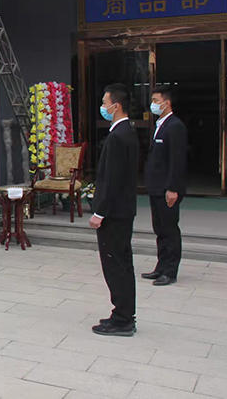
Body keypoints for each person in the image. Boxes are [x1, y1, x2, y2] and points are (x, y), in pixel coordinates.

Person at [90, 84, 139, 337]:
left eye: (104, 102)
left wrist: (99, 212)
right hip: (123, 210)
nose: (102, 107)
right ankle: (124, 313)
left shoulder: (119, 136)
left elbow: (111, 179)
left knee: (115, 265)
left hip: (115, 213)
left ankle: (122, 320)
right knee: (123, 264)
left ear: (115, 106)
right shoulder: (126, 132)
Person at [143, 86, 188, 287]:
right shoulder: (159, 125)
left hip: (167, 188)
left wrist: (173, 188)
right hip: (155, 187)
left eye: (155, 100)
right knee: (159, 229)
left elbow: (177, 160)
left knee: (169, 230)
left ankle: (170, 271)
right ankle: (161, 266)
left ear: (166, 102)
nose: (152, 104)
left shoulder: (175, 126)